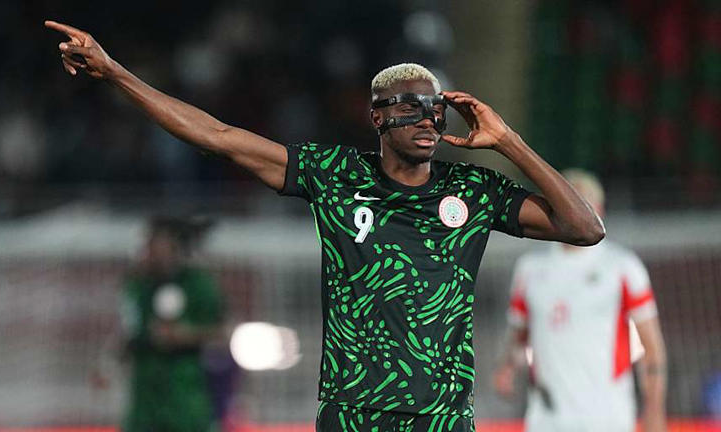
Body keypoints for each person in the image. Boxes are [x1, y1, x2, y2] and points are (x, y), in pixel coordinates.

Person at [45, 20, 605, 432]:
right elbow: (218, 136)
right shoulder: (334, 174)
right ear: (378, 117)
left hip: (443, 414)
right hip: (351, 411)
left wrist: (507, 141)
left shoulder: (473, 190)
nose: (428, 120)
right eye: (409, 108)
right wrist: (115, 73)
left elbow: (585, 228)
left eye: (436, 109)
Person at [492, 169, 667, 432]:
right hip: (546, 420)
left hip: (608, 417)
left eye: (581, 204)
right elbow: (518, 334)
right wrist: (507, 366)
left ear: (599, 210)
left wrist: (654, 410)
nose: (573, 212)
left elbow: (650, 347)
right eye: (565, 202)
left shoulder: (622, 267)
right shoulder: (530, 269)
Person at [119, 217, 225, 432]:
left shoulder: (199, 284)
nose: (147, 249)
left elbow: (223, 333)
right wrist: (109, 362)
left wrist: (185, 336)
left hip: (185, 396)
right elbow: (128, 332)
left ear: (174, 246)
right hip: (145, 399)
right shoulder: (137, 286)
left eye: (154, 242)